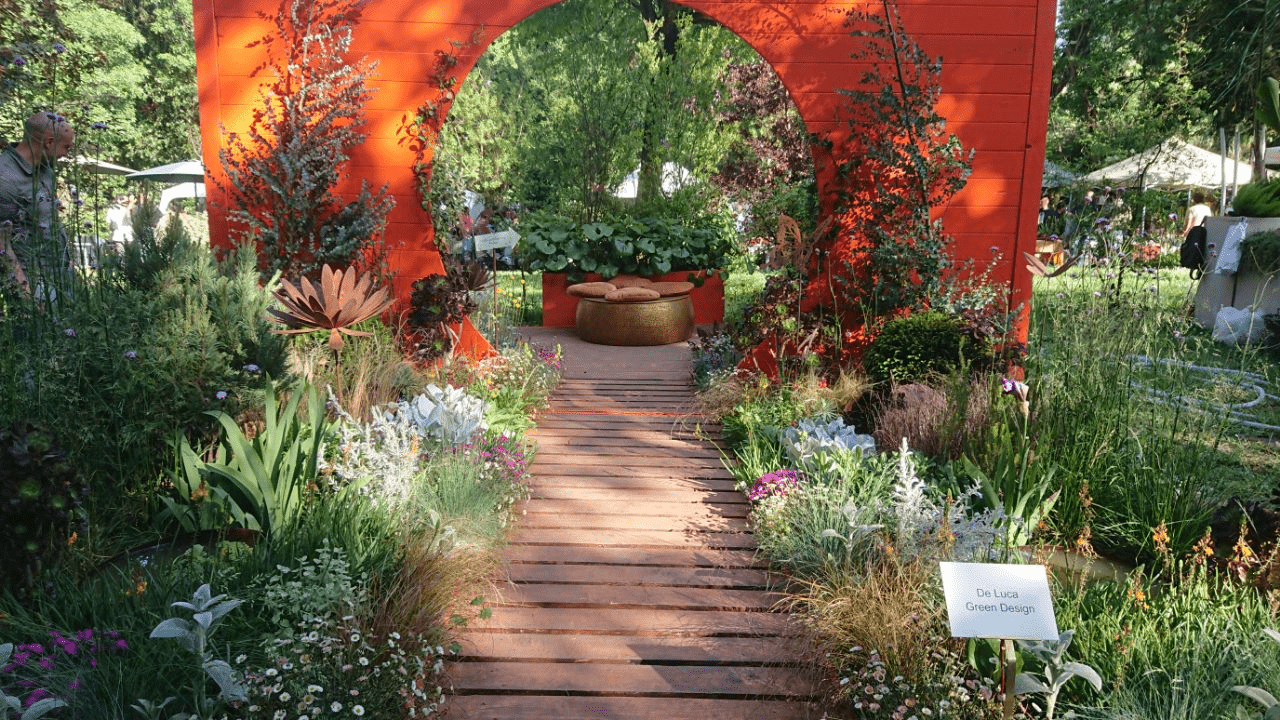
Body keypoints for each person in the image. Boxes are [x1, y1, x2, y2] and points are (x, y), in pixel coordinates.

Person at [0, 111, 75, 294]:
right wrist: (26, 294)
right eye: (66, 147)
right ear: (49, 142)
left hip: (58, 275)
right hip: (33, 281)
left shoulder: (45, 167)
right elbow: (1, 243)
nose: (67, 154)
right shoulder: (5, 177)